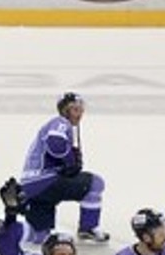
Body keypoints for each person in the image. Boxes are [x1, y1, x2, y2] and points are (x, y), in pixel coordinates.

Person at [12, 91, 108, 245]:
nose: (79, 114)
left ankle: (5, 230)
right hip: (46, 181)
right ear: (65, 110)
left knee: (39, 236)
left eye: (81, 110)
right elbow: (55, 143)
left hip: (31, 186)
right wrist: (70, 161)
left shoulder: (54, 124)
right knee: (96, 183)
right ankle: (88, 227)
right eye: (75, 110)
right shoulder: (61, 122)